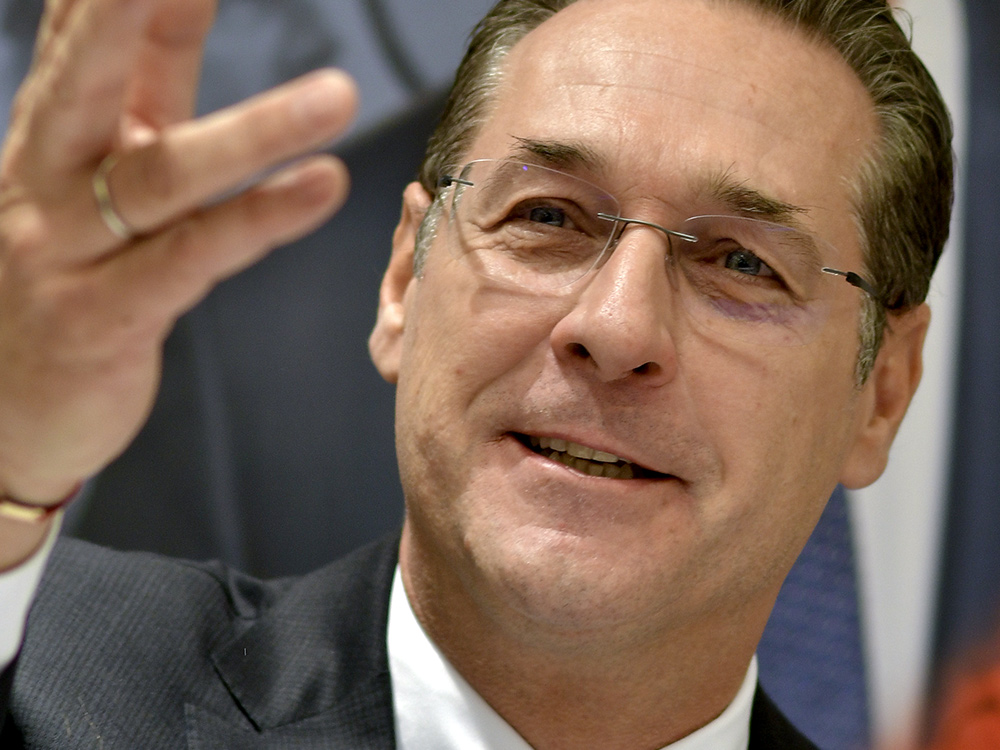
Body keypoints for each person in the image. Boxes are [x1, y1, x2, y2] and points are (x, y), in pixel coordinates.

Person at [0, 0, 952, 748]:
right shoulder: (56, 661)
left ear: (882, 396)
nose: (615, 327)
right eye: (548, 217)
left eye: (742, 263)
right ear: (404, 282)